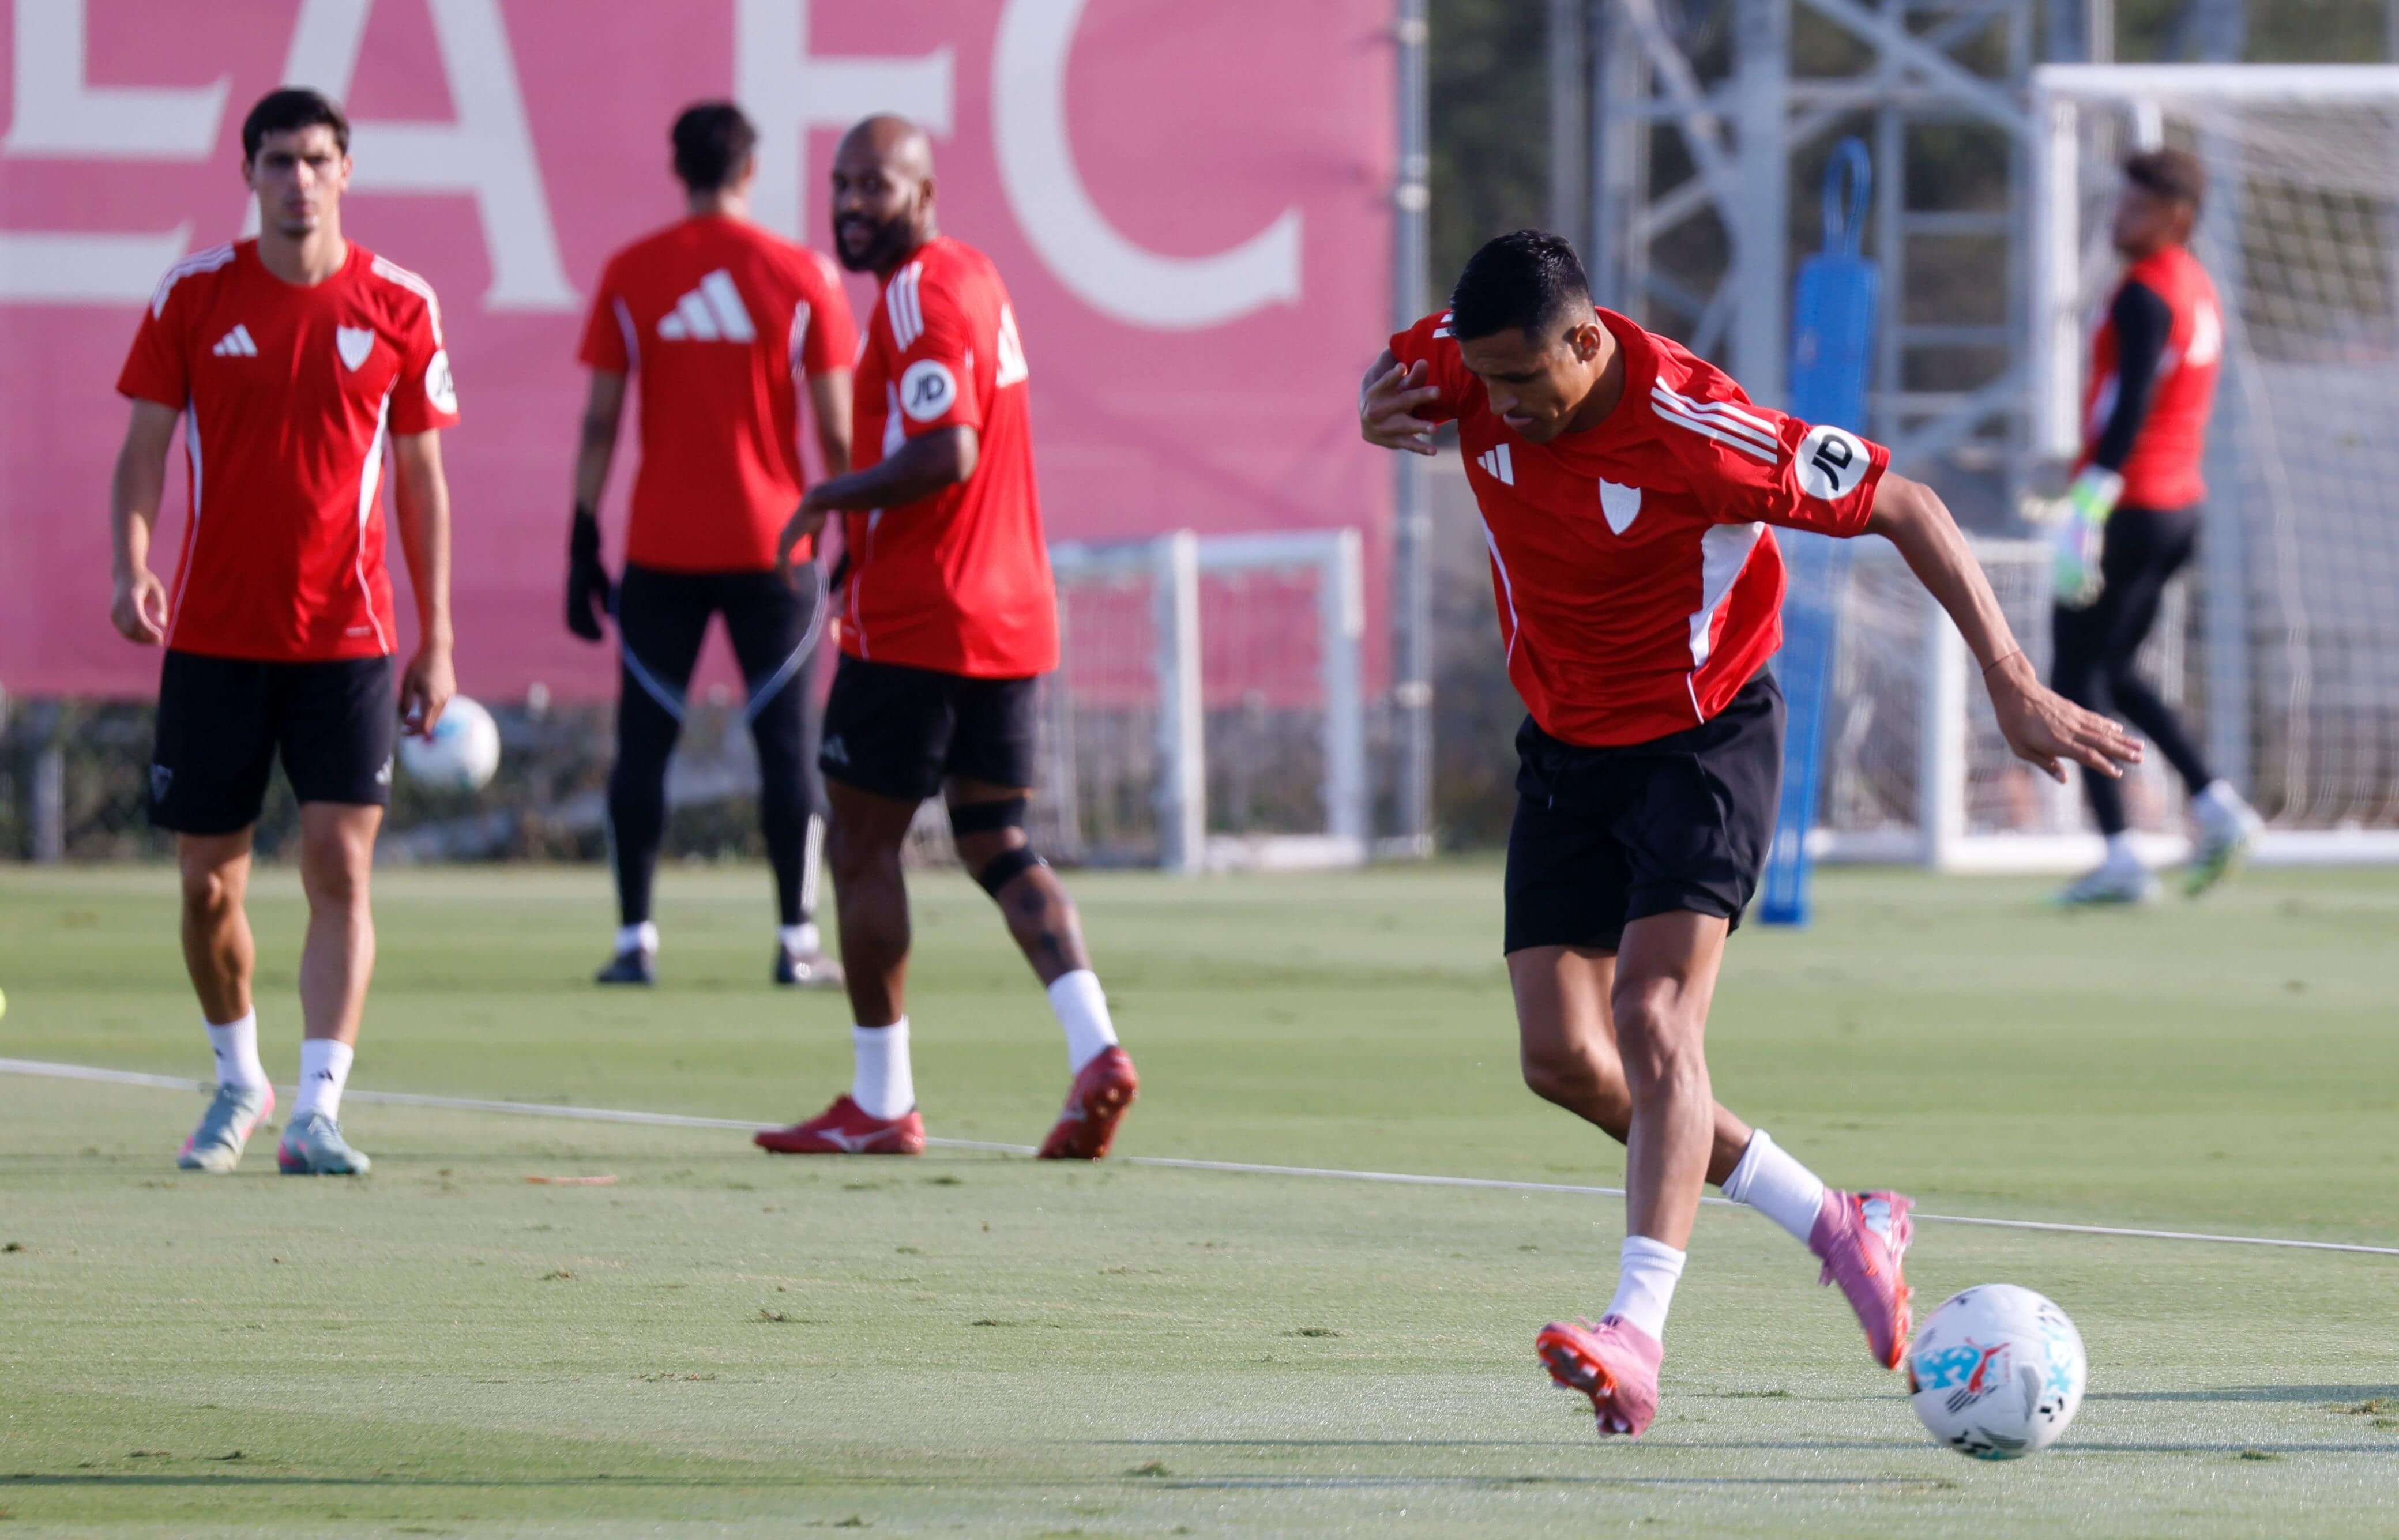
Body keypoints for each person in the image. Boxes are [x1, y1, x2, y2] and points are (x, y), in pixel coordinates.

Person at [1358, 231, 2139, 1437]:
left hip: (1699, 740)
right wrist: (1374, 405)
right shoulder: (1471, 363)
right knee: (1562, 1060)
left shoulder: (1697, 427)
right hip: (1565, 743)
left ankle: (1636, 1331)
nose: (1498, 408)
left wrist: (2012, 681)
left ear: (1588, 338)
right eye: (1485, 383)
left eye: (1524, 383)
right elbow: (1394, 378)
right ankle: (1839, 1219)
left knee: (1654, 1017)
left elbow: (1906, 502)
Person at [750, 115, 1137, 1161]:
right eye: (840, 184)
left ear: (925, 191)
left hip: (925, 617)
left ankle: (882, 1101)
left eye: (875, 184)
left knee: (864, 843)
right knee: (995, 840)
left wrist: (830, 494)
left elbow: (946, 449)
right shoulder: (975, 273)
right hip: (1013, 613)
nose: (850, 204)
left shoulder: (922, 291)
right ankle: (1095, 1047)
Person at [110, 87, 460, 1176]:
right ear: (250, 175)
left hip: (348, 640)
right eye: (277, 162)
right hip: (216, 635)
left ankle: (317, 1110)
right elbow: (142, 452)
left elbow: (421, 482)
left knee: (338, 869)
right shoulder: (196, 297)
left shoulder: (400, 304)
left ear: (346, 170)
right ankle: (238, 1079)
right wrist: (131, 565)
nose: (297, 180)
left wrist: (437, 634)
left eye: (316, 159)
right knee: (209, 881)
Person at [570, 103, 858, 985]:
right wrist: (856, 525)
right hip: (779, 545)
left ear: (678, 167)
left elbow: (600, 424)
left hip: (662, 546)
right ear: (752, 169)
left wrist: (582, 532)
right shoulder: (801, 274)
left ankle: (633, 942)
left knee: (644, 742)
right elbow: (837, 429)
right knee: (787, 742)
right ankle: (795, 939)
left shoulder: (634, 271)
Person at [2041, 148, 2262, 905]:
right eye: (2119, 204)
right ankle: (2215, 805)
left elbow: (2129, 405)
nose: (2118, 219)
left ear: (2177, 219)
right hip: (2178, 504)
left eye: (2135, 209)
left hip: (2132, 505)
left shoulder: (2144, 293)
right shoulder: (2198, 288)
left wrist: (2089, 509)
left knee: (2074, 674)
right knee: (2116, 669)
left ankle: (2122, 854)